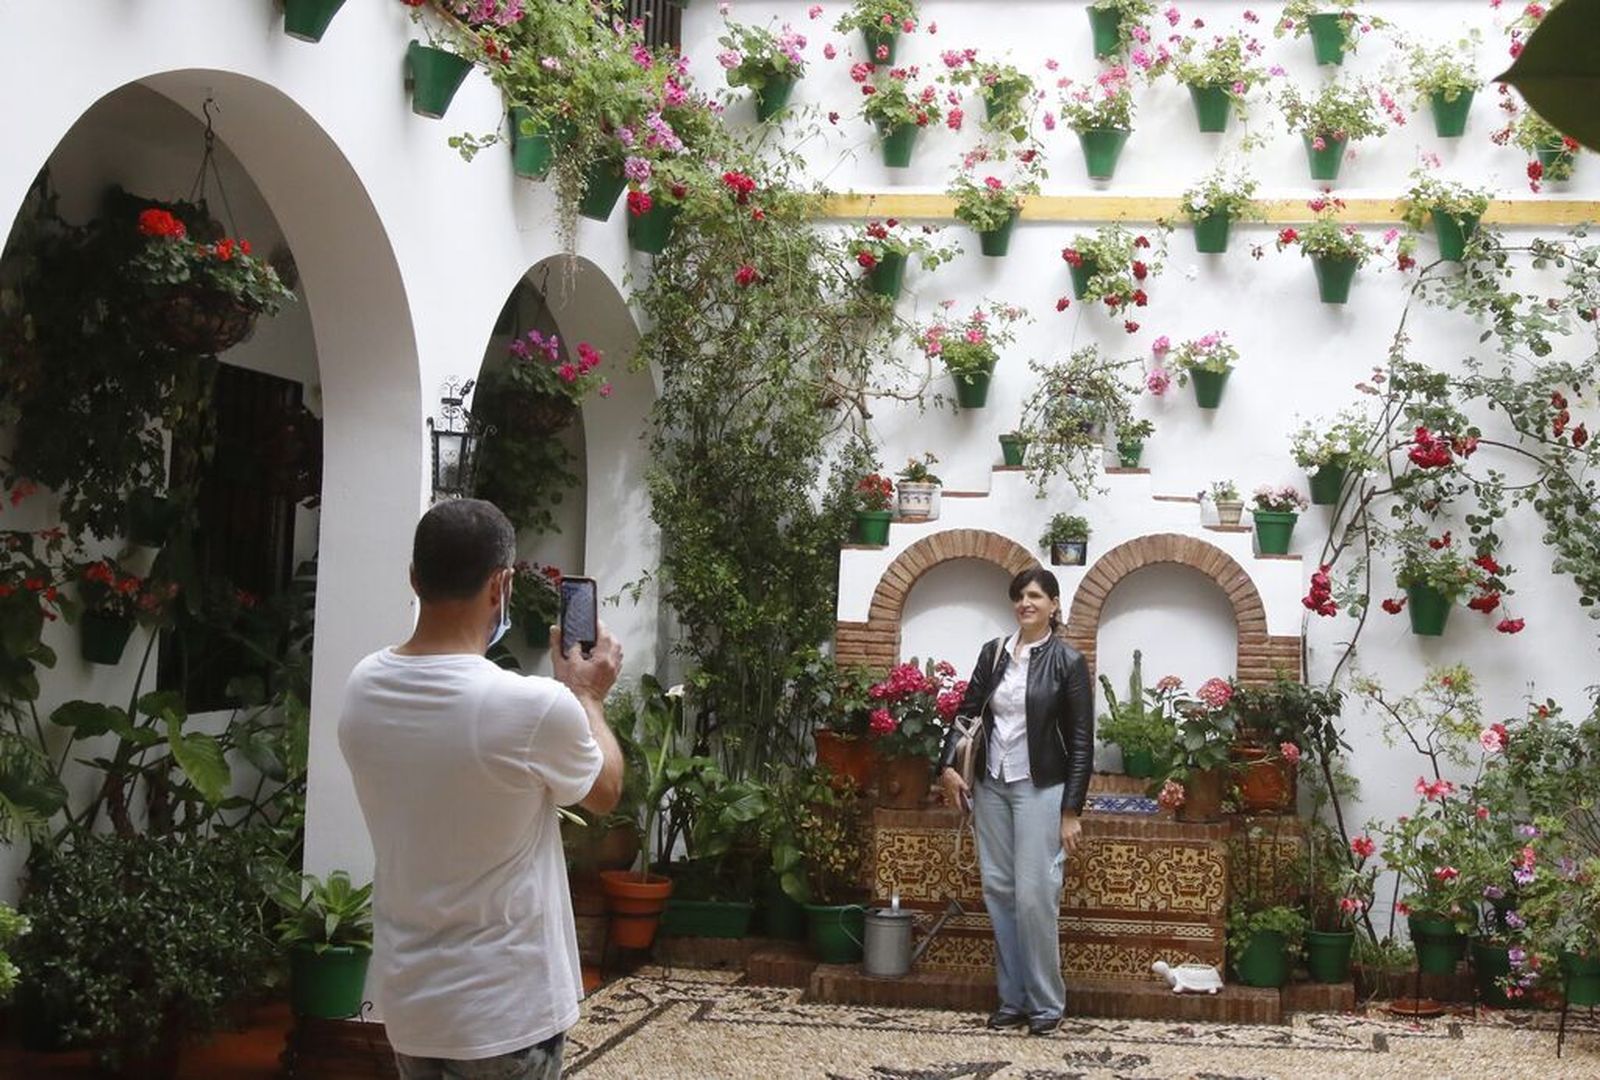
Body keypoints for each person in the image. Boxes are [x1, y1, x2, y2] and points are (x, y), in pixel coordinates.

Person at [339, 498, 625, 1080]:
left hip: (412, 1005)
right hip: (505, 1011)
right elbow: (605, 791)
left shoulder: (363, 687)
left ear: (415, 578)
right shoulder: (532, 707)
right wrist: (588, 696)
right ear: (501, 585)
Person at [936, 567, 1094, 1036]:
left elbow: (1081, 740)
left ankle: (1046, 1003)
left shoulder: (1067, 661)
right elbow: (967, 714)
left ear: (1054, 605)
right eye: (1020, 595)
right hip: (992, 785)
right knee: (1000, 891)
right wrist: (947, 765)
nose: (1026, 603)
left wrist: (1071, 810)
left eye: (1035, 596)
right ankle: (1013, 999)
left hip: (1039, 788)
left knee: (1035, 897)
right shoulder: (994, 653)